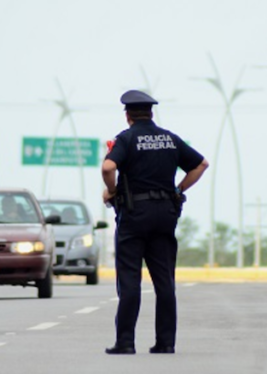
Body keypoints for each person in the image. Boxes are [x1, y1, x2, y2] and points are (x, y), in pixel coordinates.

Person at [101, 89, 209, 355]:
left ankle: (125, 342)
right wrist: (178, 189)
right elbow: (201, 164)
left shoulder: (126, 139)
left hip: (134, 215)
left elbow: (107, 168)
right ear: (151, 113)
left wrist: (112, 191)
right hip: (165, 214)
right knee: (164, 281)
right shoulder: (170, 139)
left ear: (128, 115)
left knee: (129, 280)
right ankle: (166, 342)